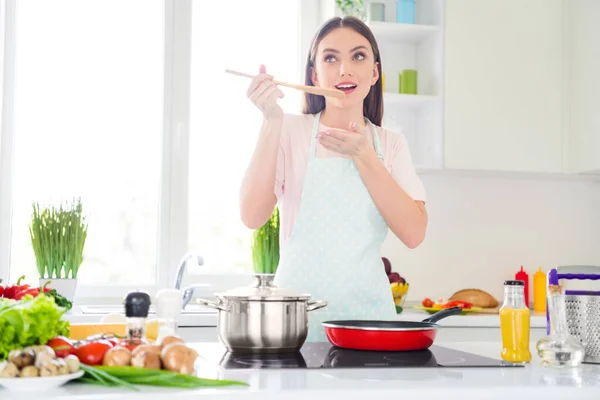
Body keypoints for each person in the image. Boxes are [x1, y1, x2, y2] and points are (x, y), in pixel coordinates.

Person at [239, 16, 428, 342]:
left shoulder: (391, 144)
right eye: (330, 58)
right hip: (297, 322)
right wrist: (271, 120)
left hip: (368, 323)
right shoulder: (290, 131)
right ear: (314, 74)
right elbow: (252, 215)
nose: (344, 69)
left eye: (358, 56)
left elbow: (414, 233)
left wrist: (365, 157)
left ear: (374, 73)